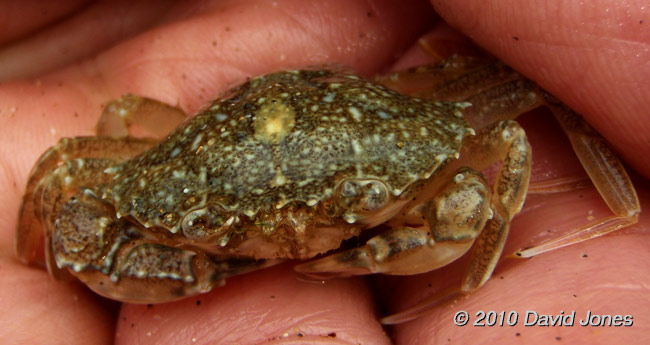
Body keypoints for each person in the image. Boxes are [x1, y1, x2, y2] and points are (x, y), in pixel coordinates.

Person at [0, 1, 647, 344]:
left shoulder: (437, 133)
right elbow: (73, 202)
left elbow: (507, 135)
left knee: (518, 111)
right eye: (216, 224)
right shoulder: (131, 170)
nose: (293, 235)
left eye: (355, 199)